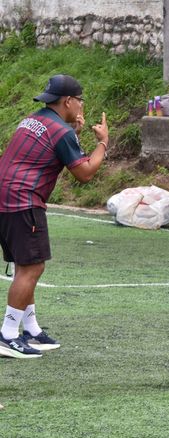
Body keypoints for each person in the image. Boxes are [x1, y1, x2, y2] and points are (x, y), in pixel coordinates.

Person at [0, 74, 109, 358]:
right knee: (32, 268)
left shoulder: (33, 119)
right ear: (69, 101)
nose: (82, 105)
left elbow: (56, 147)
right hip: (23, 201)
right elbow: (84, 173)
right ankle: (7, 335)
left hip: (6, 196)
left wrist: (75, 133)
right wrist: (103, 144)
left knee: (26, 265)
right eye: (80, 100)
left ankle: (31, 329)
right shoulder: (62, 132)